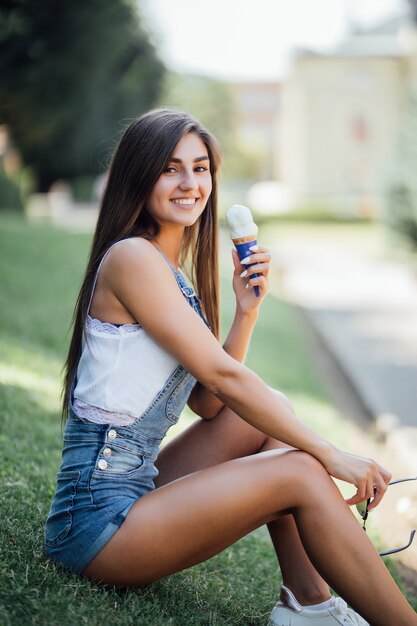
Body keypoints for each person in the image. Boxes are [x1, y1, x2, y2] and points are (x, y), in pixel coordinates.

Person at [44, 108, 417, 626]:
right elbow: (223, 378)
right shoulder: (132, 259)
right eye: (171, 168)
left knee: (266, 422)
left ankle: (309, 606)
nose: (190, 183)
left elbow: (210, 402)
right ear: (140, 175)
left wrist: (246, 312)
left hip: (136, 486)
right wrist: (334, 456)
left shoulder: (168, 271)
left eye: (201, 168)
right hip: (95, 524)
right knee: (300, 468)